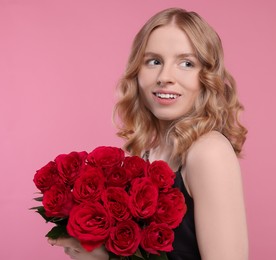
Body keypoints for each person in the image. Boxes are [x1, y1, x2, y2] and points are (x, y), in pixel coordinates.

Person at [48, 7, 248, 260]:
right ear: (137, 71)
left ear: (206, 77)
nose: (165, 77)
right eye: (154, 61)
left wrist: (106, 257)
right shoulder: (147, 153)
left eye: (186, 63)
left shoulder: (209, 151)